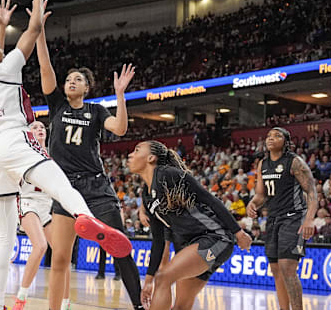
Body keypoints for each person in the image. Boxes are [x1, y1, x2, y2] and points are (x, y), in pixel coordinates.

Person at [0, 0, 131, 310]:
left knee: (5, 235)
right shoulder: (5, 68)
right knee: (61, 182)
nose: (0, 46)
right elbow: (35, 29)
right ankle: (87, 217)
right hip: (12, 140)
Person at [33, 0, 141, 310]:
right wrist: (38, 29)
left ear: (87, 87)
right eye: (68, 79)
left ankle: (139, 306)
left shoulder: (96, 110)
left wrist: (120, 95)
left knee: (121, 250)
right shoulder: (56, 106)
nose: (70, 82)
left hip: (95, 185)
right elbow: (44, 64)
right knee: (60, 259)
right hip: (64, 187)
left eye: (77, 79)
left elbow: (120, 129)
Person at [126, 140, 252, 310]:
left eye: (137, 150)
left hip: (214, 237)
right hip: (188, 246)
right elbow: (158, 240)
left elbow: (209, 199)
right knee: (180, 307)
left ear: (150, 158)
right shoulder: (147, 196)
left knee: (163, 277)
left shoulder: (167, 174)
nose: (130, 154)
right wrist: (148, 281)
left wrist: (238, 232)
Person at [247, 127, 318, 310]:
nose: (271, 138)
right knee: (276, 270)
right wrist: (253, 203)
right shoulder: (263, 163)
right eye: (269, 136)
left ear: (286, 142)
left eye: (277, 136)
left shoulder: (294, 162)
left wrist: (309, 220)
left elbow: (311, 191)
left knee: (288, 268)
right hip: (273, 219)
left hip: (293, 218)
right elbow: (261, 194)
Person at [13, 121, 70, 310]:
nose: (40, 130)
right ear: (28, 134)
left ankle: (65, 303)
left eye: (42, 128)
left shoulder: (54, 156)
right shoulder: (22, 152)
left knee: (62, 254)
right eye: (35, 127)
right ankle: (21, 297)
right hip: (28, 200)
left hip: (47, 205)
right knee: (40, 246)